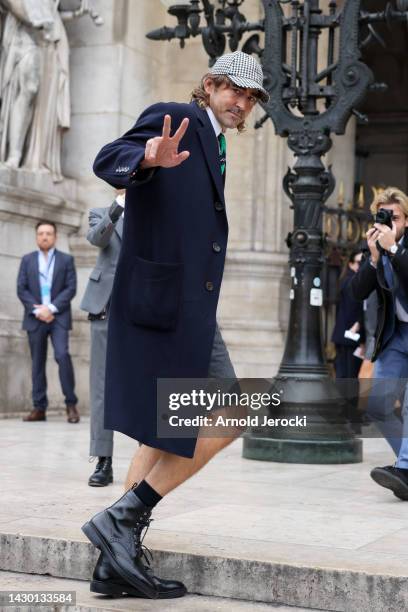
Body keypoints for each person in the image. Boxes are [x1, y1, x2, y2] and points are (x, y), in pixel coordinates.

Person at [81, 51, 269, 599]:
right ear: (209, 85)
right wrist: (145, 155)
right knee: (235, 407)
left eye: (251, 97)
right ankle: (123, 520)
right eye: (234, 90)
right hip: (167, 303)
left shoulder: (218, 142)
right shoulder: (174, 116)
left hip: (186, 306)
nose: (242, 103)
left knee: (162, 426)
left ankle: (115, 556)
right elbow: (106, 157)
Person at [351, 187, 408, 500]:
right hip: (395, 335)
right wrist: (374, 259)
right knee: (378, 403)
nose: (388, 223)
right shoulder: (375, 246)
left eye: (395, 217)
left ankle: (404, 470)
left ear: (407, 220)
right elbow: (356, 292)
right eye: (383, 216)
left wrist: (396, 250)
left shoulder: (399, 246)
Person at [80, 191, 125, 487]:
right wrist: (118, 207)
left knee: (145, 384)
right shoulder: (101, 211)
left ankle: (148, 456)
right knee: (101, 387)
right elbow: (97, 239)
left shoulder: (154, 215)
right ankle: (103, 460)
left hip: (142, 309)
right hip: (105, 307)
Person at [17, 220, 79, 423]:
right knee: (37, 362)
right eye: (41, 233)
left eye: (48, 233)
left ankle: (71, 404)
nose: (44, 236)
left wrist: (51, 308)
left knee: (62, 355)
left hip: (58, 316)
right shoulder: (27, 260)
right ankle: (39, 408)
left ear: (55, 237)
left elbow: (71, 288)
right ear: (36, 237)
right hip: (35, 317)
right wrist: (38, 311)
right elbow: (22, 288)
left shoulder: (66, 260)